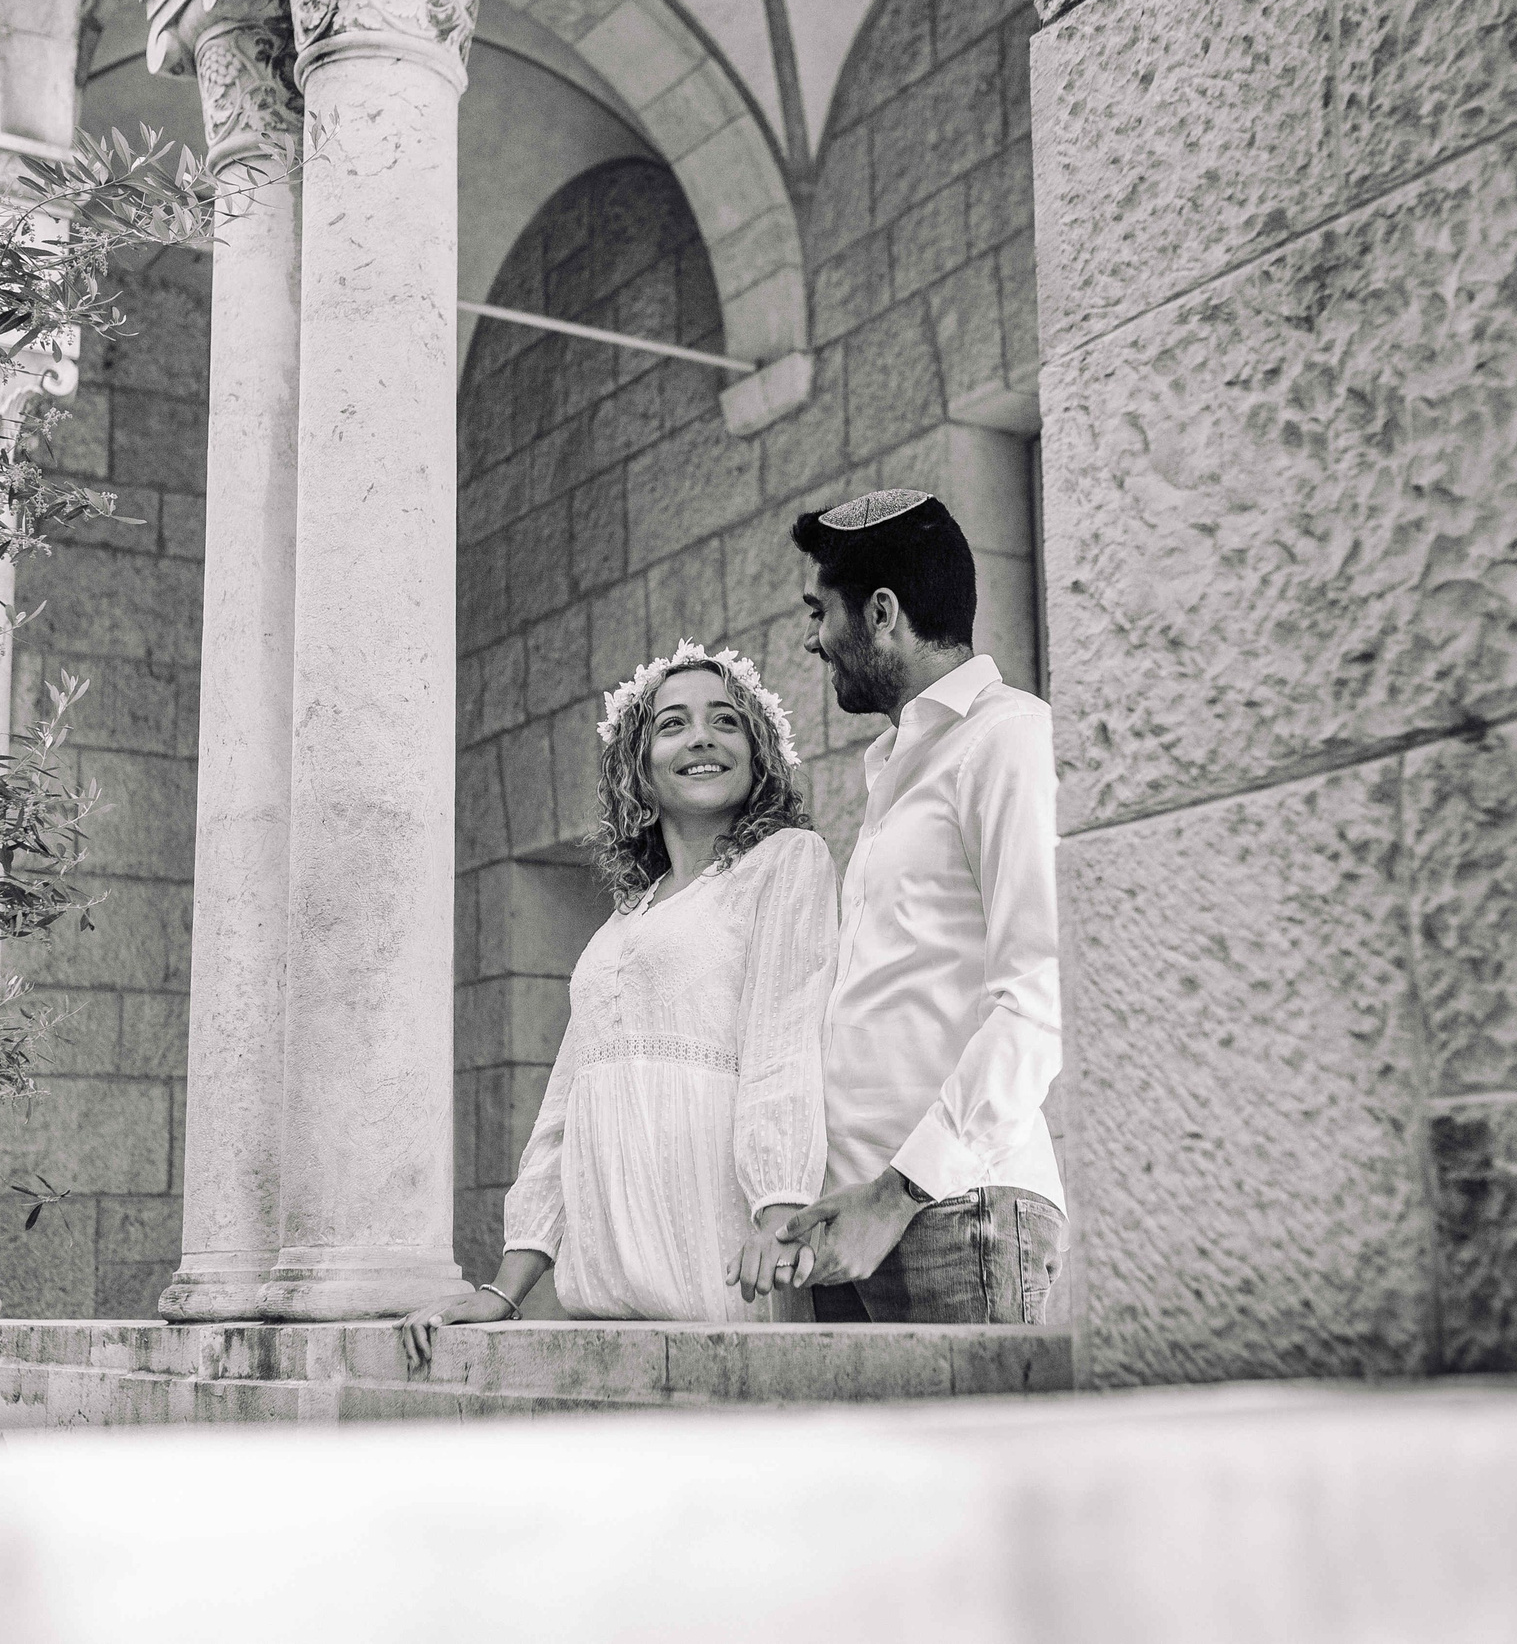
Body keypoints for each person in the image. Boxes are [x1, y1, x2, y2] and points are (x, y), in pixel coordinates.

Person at [402, 643, 836, 1361]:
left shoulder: (785, 862)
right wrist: (505, 1289)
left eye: (725, 720)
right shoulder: (623, 920)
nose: (701, 737)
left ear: (759, 754)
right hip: (607, 1293)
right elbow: (565, 1108)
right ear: (639, 764)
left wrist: (780, 1217)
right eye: (674, 724)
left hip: (723, 1261)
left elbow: (784, 1046)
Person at [775, 489, 1065, 1324]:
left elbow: (1039, 996)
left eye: (818, 611)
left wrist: (898, 1193)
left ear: (882, 612)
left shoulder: (1007, 738)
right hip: (851, 1223)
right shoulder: (895, 767)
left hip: (958, 1214)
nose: (811, 637)